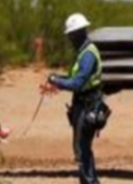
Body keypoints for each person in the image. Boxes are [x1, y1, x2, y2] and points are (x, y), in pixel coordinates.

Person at [44, 13, 104, 184]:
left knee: (82, 150)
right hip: (83, 106)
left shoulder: (88, 54)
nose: (69, 38)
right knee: (83, 149)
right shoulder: (83, 52)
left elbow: (78, 83)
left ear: (78, 33)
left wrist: (56, 81)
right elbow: (74, 79)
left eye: (71, 34)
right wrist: (58, 79)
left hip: (87, 107)